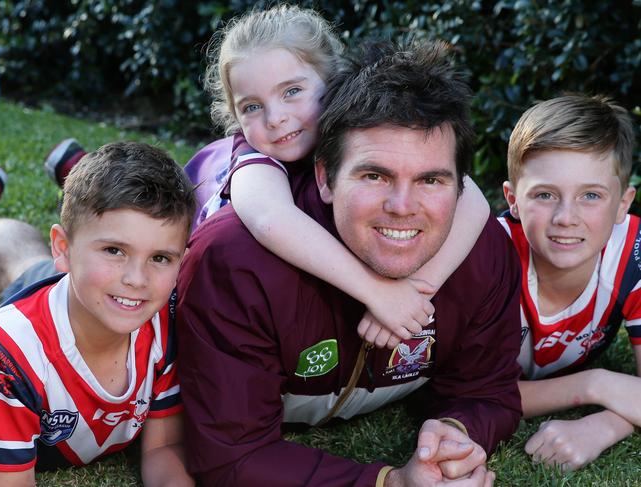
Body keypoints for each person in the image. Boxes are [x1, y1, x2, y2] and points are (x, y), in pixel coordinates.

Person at [176, 39, 523, 486]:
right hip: (197, 191)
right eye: (374, 175)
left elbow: (489, 393)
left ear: (459, 185)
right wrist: (389, 483)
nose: (402, 206)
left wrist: (456, 433)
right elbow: (231, 455)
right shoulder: (235, 263)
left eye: (431, 179)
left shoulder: (481, 249)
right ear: (324, 176)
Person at [184, 4, 490, 349]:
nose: (275, 118)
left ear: (331, 81)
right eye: (251, 107)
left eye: (292, 92)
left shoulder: (355, 131)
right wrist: (377, 292)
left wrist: (416, 291)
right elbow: (270, 219)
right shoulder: (254, 159)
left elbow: (473, 200)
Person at [0, 142, 196, 486]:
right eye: (114, 250)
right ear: (64, 248)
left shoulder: (170, 320)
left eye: (160, 257)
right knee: (23, 264)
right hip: (60, 296)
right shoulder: (11, 352)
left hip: (86, 290)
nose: (137, 279)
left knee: (30, 264)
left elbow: (163, 449)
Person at [499, 94, 640, 471]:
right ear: (512, 199)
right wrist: (596, 385)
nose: (566, 217)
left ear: (623, 204)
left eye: (590, 195)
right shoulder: (487, 256)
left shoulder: (635, 255)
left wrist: (609, 424)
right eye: (545, 194)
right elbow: (469, 393)